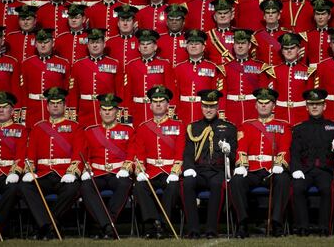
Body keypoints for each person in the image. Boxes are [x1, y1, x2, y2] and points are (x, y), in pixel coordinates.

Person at [20, 87, 82, 239]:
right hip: (43, 174)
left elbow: (78, 153)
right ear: (47, 106)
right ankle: (50, 226)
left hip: (64, 174)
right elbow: (31, 154)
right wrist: (30, 170)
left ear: (64, 106)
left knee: (73, 188)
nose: (55, 106)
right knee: (25, 186)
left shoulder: (75, 127)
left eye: (59, 103)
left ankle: (43, 226)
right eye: (52, 103)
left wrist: (72, 172)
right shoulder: (38, 127)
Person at [230, 88, 291, 238]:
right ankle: (242, 223)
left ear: (274, 106)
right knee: (236, 181)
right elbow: (241, 147)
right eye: (260, 103)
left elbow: (285, 148)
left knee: (283, 179)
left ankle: (277, 223)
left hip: (272, 170)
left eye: (267, 103)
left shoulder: (283, 125)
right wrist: (241, 166)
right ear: (256, 106)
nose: (263, 106)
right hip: (251, 170)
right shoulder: (247, 125)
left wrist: (279, 164)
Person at [182, 89, 237, 238]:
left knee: (217, 185)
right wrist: (189, 168)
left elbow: (233, 157)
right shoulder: (192, 128)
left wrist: (228, 152)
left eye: (212, 107)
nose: (208, 110)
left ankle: (211, 230)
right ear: (201, 107)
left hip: (218, 170)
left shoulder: (230, 128)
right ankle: (193, 229)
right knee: (187, 183)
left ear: (217, 107)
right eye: (206, 106)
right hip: (198, 170)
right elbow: (188, 153)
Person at [79, 93, 134, 239]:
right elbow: (85, 153)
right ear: (99, 111)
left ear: (117, 111)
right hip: (97, 172)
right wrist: (87, 168)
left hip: (118, 171)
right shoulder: (90, 131)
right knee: (85, 186)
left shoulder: (128, 131)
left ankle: (105, 225)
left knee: (125, 183)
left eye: (110, 109)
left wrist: (126, 168)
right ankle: (108, 226)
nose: (107, 112)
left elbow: (132, 152)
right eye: (104, 109)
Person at [133, 85, 185, 239]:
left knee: (173, 187)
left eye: (161, 101)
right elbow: (139, 153)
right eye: (155, 101)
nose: (158, 104)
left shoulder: (178, 125)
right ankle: (153, 223)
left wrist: (175, 171)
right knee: (139, 186)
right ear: (150, 105)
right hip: (151, 171)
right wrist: (140, 169)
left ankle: (162, 224)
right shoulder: (142, 128)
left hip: (170, 171)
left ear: (168, 105)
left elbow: (180, 151)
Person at [290, 88, 334, 236]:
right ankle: (302, 227)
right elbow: (294, 152)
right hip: (304, 170)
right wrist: (296, 169)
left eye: (318, 104)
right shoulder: (299, 128)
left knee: (326, 189)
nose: (314, 107)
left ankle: (324, 227)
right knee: (298, 188)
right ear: (306, 107)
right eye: (311, 104)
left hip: (325, 170)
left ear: (324, 106)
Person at [68, 28, 123, 127]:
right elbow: (73, 93)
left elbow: (120, 91)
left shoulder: (115, 64)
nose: (95, 45)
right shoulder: (78, 65)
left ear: (104, 44)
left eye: (98, 42)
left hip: (107, 112)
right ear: (88, 45)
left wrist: (120, 114)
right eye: (92, 42)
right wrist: (72, 116)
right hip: (85, 113)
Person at [122, 29, 176, 127]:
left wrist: (170, 111)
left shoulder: (164, 64)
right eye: (142, 44)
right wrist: (127, 113)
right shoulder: (131, 65)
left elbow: (171, 89)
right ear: (138, 47)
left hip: (158, 111)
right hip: (138, 111)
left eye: (148, 43)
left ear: (155, 47)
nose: (145, 46)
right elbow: (127, 92)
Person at [21, 29, 71, 129]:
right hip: (34, 109)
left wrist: (67, 110)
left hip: (55, 109)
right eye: (39, 42)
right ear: (35, 44)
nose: (43, 45)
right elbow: (23, 90)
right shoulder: (26, 63)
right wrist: (23, 111)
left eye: (46, 42)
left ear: (52, 43)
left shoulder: (63, 63)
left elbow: (67, 89)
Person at [174, 29, 226, 125]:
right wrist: (174, 111)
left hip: (205, 111)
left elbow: (218, 90)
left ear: (203, 47)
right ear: (186, 47)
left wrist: (220, 111)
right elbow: (175, 91)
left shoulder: (213, 67)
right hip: (184, 111)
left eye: (197, 43)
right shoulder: (178, 68)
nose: (193, 46)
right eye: (190, 43)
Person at [0, 92, 27, 235]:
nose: (1, 110)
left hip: (8, 173)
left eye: (5, 107)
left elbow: (21, 155)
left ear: (12, 111)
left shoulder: (21, 130)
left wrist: (14, 172)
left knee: (13, 189)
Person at [262, 32, 314, 125]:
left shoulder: (307, 71)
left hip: (301, 115)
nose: (289, 51)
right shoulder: (274, 71)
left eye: (292, 48)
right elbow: (271, 97)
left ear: (298, 49)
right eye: (286, 49)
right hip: (280, 115)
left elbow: (310, 97)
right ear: (282, 51)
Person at [223, 29, 263, 127]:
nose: (240, 46)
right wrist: (221, 111)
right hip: (231, 110)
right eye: (237, 43)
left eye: (243, 43)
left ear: (249, 45)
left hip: (252, 109)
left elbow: (263, 92)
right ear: (233, 45)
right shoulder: (225, 67)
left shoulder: (260, 67)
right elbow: (222, 91)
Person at [0, 26, 21, 123]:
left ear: (2, 41)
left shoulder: (12, 62)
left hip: (4, 111)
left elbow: (16, 89)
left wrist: (17, 111)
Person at [253, 0, 290, 67]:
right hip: (262, 73)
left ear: (278, 16)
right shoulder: (257, 36)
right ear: (264, 16)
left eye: (273, 12)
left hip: (280, 73)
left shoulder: (287, 34)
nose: (270, 15)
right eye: (267, 13)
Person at [105, 4, 140, 69]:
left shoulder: (140, 41)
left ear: (134, 23)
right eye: (122, 20)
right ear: (118, 23)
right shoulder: (109, 42)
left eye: (129, 20)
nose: (125, 23)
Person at [205, 0, 236, 65]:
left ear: (232, 15)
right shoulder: (207, 36)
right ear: (215, 17)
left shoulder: (237, 33)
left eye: (226, 13)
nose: (222, 16)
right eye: (219, 13)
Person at [306, 0, 334, 67]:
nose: (320, 17)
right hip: (313, 72)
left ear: (329, 16)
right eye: (317, 14)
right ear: (314, 17)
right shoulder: (307, 35)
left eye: (323, 14)